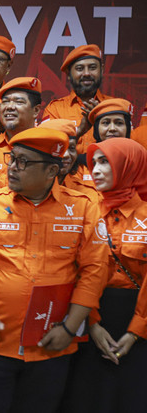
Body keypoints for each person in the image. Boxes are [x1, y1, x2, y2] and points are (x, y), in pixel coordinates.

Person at [0, 127, 107, 413]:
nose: (12, 167)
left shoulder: (83, 208)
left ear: (51, 171)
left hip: (51, 343)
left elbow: (94, 272)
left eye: (23, 162)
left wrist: (70, 329)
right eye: (12, 158)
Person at [62, 138, 147, 413]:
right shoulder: (84, 211)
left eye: (105, 162)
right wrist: (93, 323)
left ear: (128, 166)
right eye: (93, 163)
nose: (95, 170)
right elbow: (76, 270)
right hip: (89, 316)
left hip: (139, 320)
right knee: (86, 397)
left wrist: (135, 332)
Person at [0, 77, 42, 193]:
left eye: (19, 102)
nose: (9, 107)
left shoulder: (46, 147)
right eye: (5, 101)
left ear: (35, 111)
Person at [42, 44, 114, 153]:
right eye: (79, 68)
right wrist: (79, 130)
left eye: (92, 68)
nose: (86, 73)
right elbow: (47, 148)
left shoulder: (114, 106)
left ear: (102, 69)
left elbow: (126, 149)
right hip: (68, 170)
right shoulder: (54, 109)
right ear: (69, 74)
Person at [38, 119, 98, 201]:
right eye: (59, 148)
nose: (66, 155)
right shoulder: (24, 190)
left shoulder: (86, 195)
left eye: (71, 148)